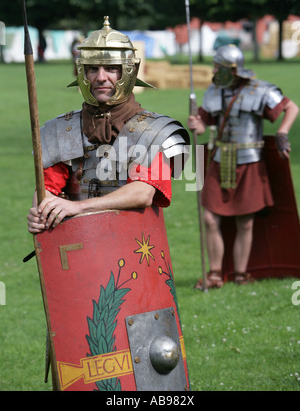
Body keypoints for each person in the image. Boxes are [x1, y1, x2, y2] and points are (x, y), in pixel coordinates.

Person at [27, 17, 189, 234]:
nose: (101, 78)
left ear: (129, 72)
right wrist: (42, 210)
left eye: (111, 69)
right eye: (93, 69)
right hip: (75, 243)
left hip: (134, 248)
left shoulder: (157, 132)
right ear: (82, 73)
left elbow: (143, 192)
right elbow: (46, 187)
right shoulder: (62, 130)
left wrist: (78, 207)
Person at [187, 44, 298, 288]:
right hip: (219, 160)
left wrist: (282, 133)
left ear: (231, 69)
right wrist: (197, 126)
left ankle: (240, 274)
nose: (214, 70)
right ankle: (215, 274)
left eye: (218, 66)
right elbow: (205, 124)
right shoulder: (214, 91)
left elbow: (291, 107)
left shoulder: (259, 90)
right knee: (209, 218)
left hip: (249, 162)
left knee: (245, 221)